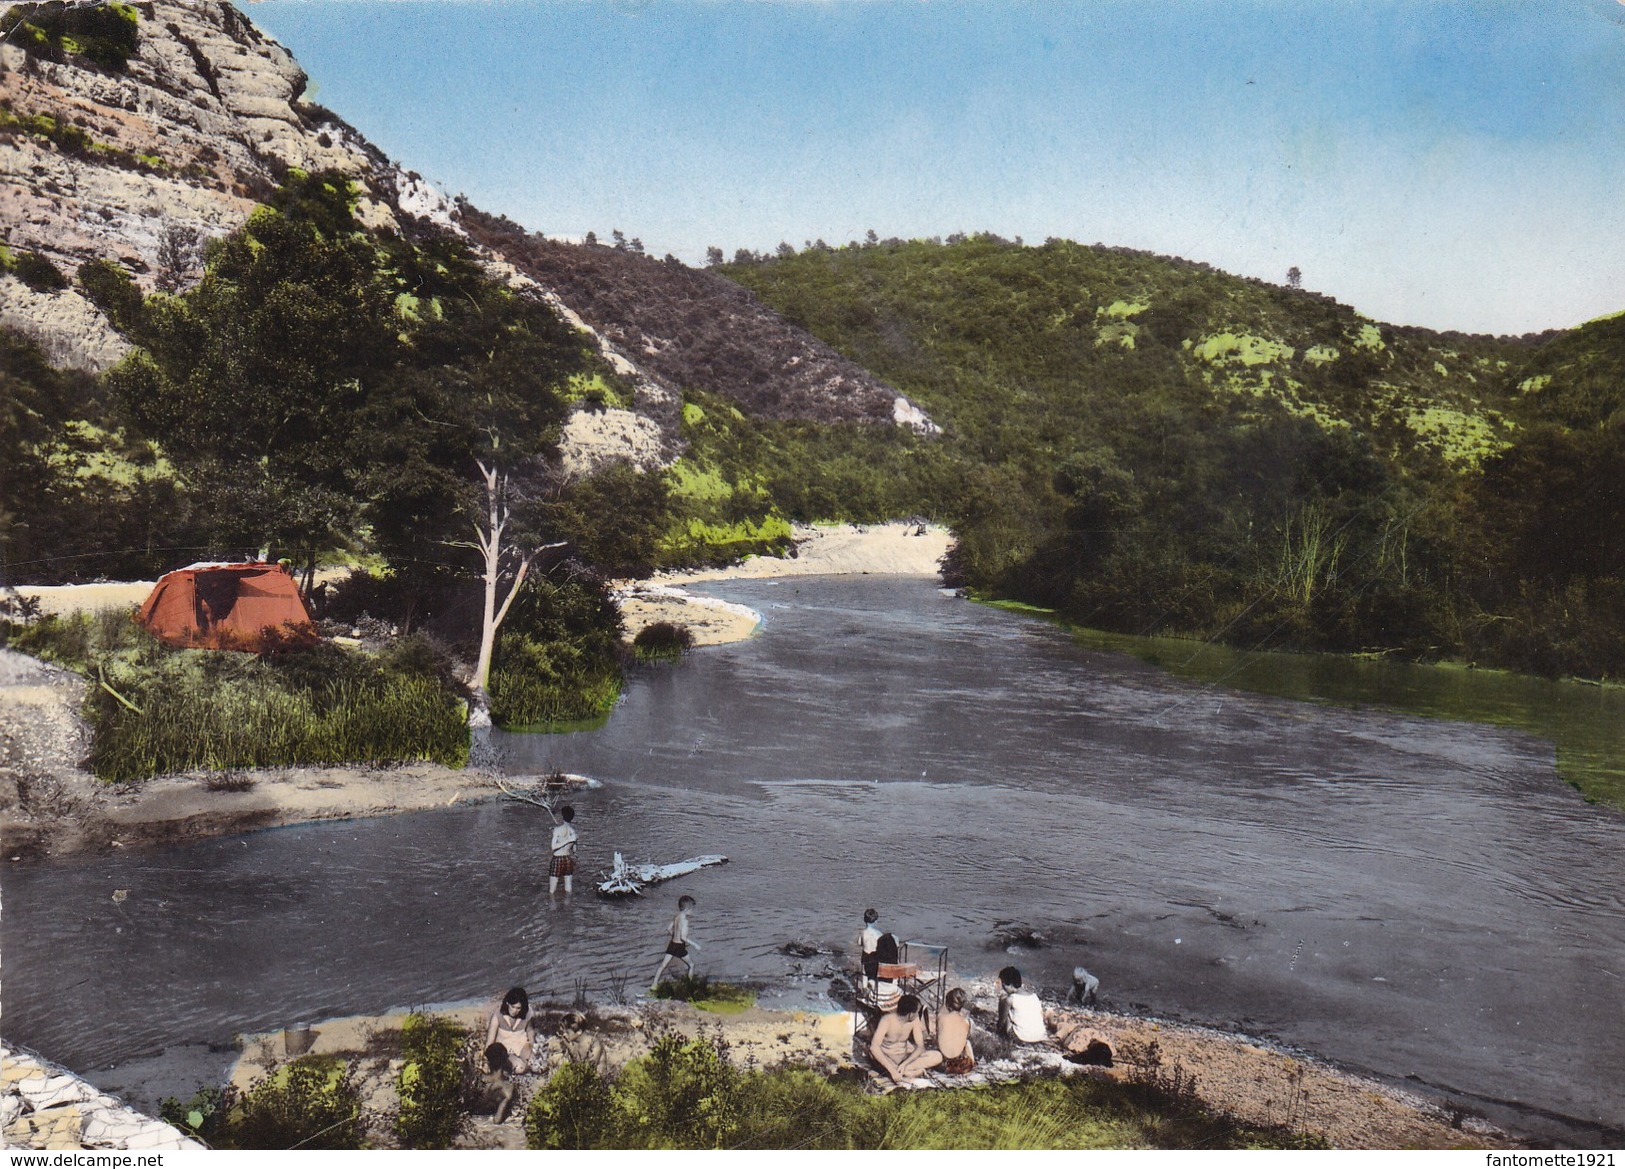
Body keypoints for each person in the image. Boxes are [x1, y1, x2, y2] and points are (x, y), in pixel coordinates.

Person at [869, 993, 943, 1085]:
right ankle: (904, 1073)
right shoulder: (887, 1020)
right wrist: (892, 1070)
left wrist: (904, 1064)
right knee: (875, 1057)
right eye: (917, 1012)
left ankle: (903, 1072)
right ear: (910, 1014)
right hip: (887, 1059)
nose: (918, 1015)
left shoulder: (914, 1021)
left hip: (905, 1060)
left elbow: (920, 1047)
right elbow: (874, 1047)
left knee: (937, 1056)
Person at [650, 895, 700, 989]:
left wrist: (674, 936)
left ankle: (654, 984)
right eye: (692, 909)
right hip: (679, 947)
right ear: (687, 909)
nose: (693, 911)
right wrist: (695, 945)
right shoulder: (685, 921)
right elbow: (683, 938)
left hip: (672, 944)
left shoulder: (676, 916)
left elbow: (669, 929)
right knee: (691, 965)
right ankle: (690, 985)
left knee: (663, 965)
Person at [486, 986, 535, 1074]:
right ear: (507, 1003)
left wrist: (531, 1044)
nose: (515, 1011)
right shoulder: (497, 1015)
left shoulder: (526, 1014)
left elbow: (530, 1030)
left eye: (518, 1008)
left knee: (536, 1066)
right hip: (505, 1051)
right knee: (519, 1068)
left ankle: (527, 1066)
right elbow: (490, 1041)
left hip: (522, 1046)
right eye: (513, 1007)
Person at [996, 966, 1048, 1043]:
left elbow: (1002, 1022)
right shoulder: (1034, 996)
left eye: (1004, 986)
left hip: (1021, 1038)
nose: (1004, 989)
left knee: (1004, 1003)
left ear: (1010, 985)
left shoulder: (1011, 999)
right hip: (1040, 1035)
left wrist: (998, 1027)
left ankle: (1001, 1036)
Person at [935, 987, 975, 1075]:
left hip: (943, 1062)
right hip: (960, 1063)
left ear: (947, 1005)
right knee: (967, 1042)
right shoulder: (966, 1021)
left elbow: (938, 1036)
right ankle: (972, 1064)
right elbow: (966, 1037)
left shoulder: (941, 1018)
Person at [479, 1043, 519, 1124]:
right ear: (505, 1061)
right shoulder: (507, 1088)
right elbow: (497, 1120)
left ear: (488, 1060)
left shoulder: (479, 1078)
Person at [549, 805, 579, 895]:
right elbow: (574, 850)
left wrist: (567, 840)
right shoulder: (574, 832)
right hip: (567, 858)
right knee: (568, 888)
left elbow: (553, 847)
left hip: (557, 858)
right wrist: (570, 842)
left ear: (562, 816)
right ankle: (568, 907)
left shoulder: (557, 830)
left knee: (552, 891)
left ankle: (552, 907)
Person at [857, 908, 882, 990]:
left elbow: (859, 943)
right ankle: (873, 989)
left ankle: (864, 988)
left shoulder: (863, 932)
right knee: (874, 975)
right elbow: (882, 946)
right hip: (875, 956)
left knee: (864, 973)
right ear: (875, 921)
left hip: (865, 955)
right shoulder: (878, 934)